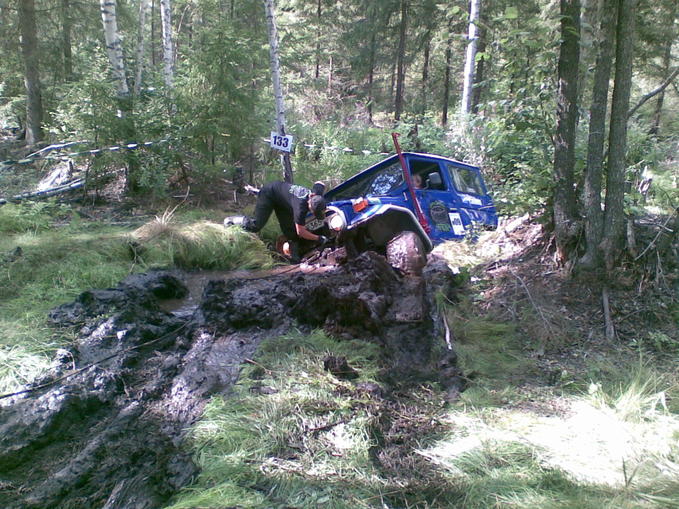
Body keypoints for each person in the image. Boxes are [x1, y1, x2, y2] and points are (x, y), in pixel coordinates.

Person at [225, 181, 328, 263]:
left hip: (282, 201)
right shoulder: (300, 207)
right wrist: (319, 238)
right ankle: (231, 220)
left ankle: (295, 259)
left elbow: (320, 183)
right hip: (269, 193)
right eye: (312, 211)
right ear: (309, 204)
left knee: (290, 231)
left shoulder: (316, 195)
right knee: (256, 225)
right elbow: (300, 232)